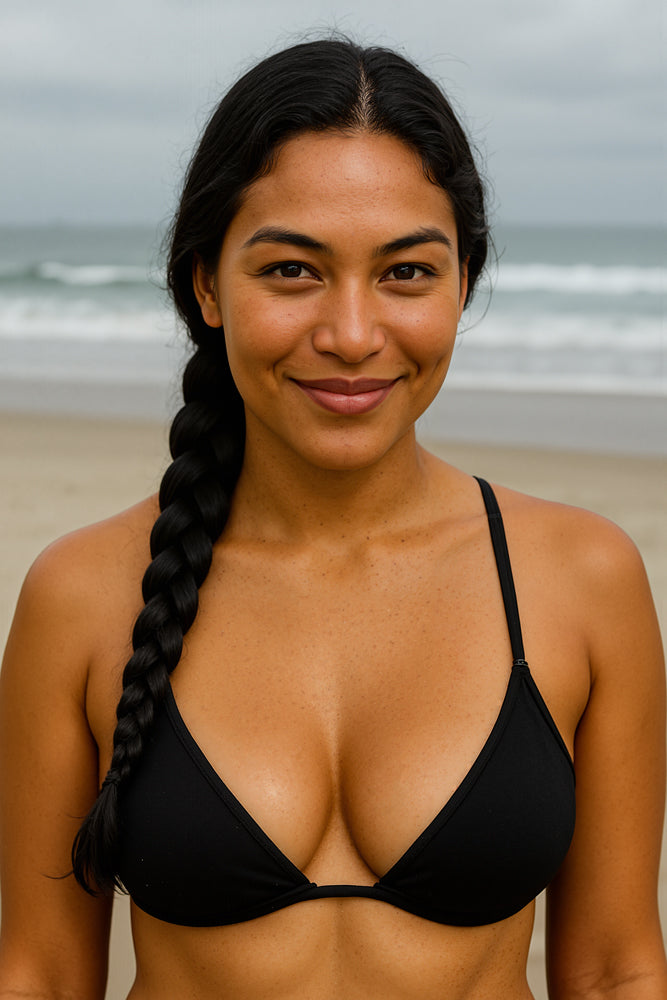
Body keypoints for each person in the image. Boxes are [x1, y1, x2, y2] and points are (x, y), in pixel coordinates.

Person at [0, 37, 665, 1000]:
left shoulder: (581, 581)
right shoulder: (82, 595)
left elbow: (614, 971)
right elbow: (40, 976)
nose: (352, 335)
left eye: (405, 273)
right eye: (291, 271)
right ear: (205, 284)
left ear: (462, 283)